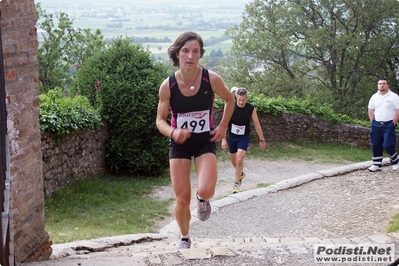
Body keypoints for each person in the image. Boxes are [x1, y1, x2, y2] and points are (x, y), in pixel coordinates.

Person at [155, 31, 235, 249]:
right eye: (186, 51)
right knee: (182, 199)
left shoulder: (211, 79)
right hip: (179, 145)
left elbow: (230, 99)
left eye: (195, 51)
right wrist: (173, 132)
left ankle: (202, 201)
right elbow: (160, 121)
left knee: (206, 189)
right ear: (178, 54)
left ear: (200, 55)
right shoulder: (168, 86)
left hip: (204, 142)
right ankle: (184, 237)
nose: (190, 56)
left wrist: (222, 126)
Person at [221, 88, 266, 193]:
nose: (241, 102)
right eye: (239, 100)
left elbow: (256, 124)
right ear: (236, 97)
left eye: (243, 100)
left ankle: (236, 184)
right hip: (232, 137)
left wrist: (262, 139)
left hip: (244, 136)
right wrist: (223, 139)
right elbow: (224, 123)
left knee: (239, 159)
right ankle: (240, 174)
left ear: (247, 98)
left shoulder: (251, 108)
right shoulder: (230, 106)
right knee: (233, 161)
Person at [367, 77, 399, 172]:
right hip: (376, 124)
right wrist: (372, 121)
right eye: (380, 83)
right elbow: (371, 109)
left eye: (384, 83)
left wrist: (394, 122)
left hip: (389, 124)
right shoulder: (374, 97)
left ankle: (395, 162)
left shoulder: (394, 96)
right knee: (376, 144)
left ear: (387, 85)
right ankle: (376, 164)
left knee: (388, 144)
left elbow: (398, 110)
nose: (382, 85)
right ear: (378, 85)